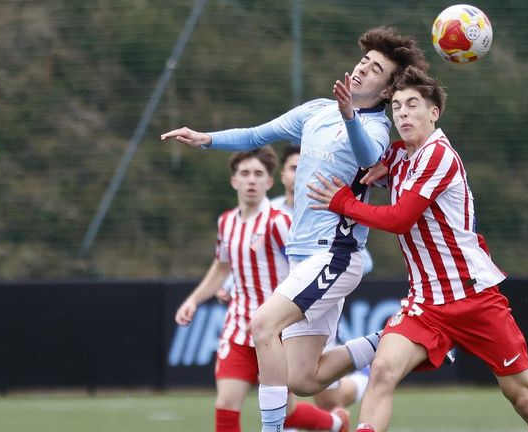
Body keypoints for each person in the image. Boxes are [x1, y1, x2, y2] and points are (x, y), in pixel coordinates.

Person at [161, 26, 428, 432]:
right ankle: (398, 340)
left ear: (388, 90)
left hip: (335, 254)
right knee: (301, 379)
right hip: (304, 256)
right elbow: (255, 134)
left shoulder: (375, 127)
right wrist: (205, 139)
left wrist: (349, 116)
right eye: (363, 61)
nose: (362, 69)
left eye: (375, 69)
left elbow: (367, 155)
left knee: (263, 324)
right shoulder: (316, 111)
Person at [307, 66, 528, 432]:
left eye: (413, 105)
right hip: (425, 304)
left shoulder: (438, 155)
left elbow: (399, 219)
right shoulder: (400, 156)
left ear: (434, 112)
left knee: (523, 398)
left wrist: (343, 202)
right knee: (382, 370)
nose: (403, 114)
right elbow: (374, 156)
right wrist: (351, 116)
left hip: (473, 297)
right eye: (396, 107)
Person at [174, 147, 349, 432]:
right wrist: (193, 300)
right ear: (234, 181)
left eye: (258, 174)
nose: (251, 180)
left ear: (269, 182)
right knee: (226, 406)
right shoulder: (226, 222)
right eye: (245, 174)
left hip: (275, 333)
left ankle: (334, 423)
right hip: (237, 329)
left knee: (287, 415)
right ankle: (334, 422)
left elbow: (303, 266)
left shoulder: (278, 222)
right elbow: (221, 268)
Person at [271, 145, 372, 412]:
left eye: (300, 167)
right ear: (282, 175)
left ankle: (362, 378)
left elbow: (360, 258)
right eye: (292, 168)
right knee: (294, 383)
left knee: (328, 401)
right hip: (277, 300)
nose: (297, 174)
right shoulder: (269, 214)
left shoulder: (325, 211)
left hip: (313, 299)